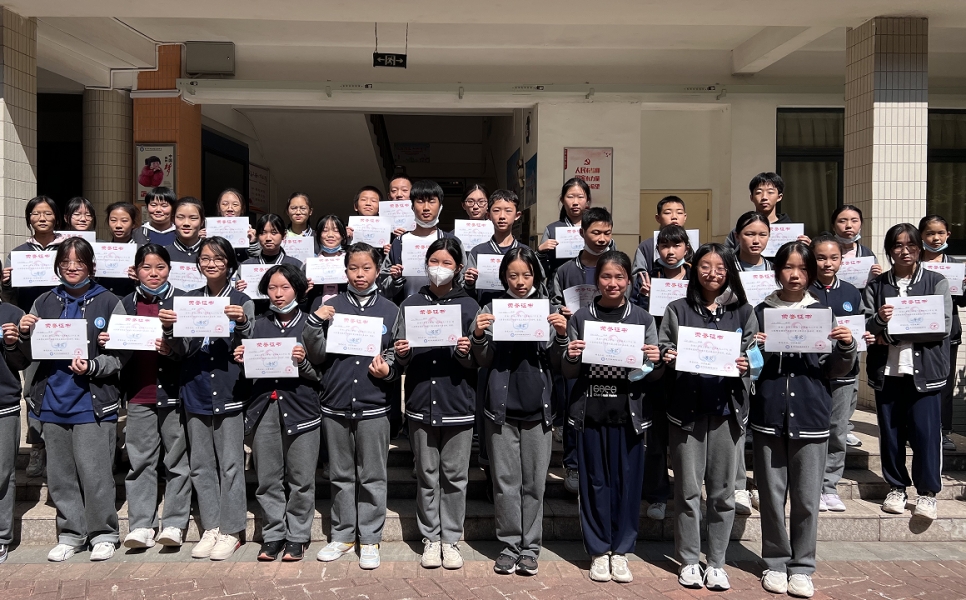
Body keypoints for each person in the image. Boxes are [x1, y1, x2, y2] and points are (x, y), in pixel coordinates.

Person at [753, 241, 856, 598]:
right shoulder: (760, 312)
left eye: (802, 268)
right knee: (771, 496)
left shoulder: (823, 313)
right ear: (777, 271)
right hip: (769, 415)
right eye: (787, 267)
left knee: (807, 498)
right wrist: (755, 349)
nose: (795, 275)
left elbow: (835, 370)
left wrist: (846, 346)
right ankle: (775, 562)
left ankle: (802, 567)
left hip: (811, 416)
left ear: (811, 273)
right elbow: (747, 367)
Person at [15, 237, 125, 562]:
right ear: (57, 266)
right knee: (60, 476)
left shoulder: (109, 301)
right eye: (65, 262)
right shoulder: (44, 301)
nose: (72, 267)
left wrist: (94, 365)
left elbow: (121, 355)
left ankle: (104, 533)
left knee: (96, 474)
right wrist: (24, 333)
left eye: (79, 262)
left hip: (92, 402)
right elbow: (28, 354)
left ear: (91, 266)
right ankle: (71, 534)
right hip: (52, 400)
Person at [659, 243, 756, 591]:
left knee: (722, 494)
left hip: (727, 412)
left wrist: (748, 365)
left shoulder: (743, 311)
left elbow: (756, 356)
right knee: (687, 491)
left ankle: (716, 562)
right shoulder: (677, 308)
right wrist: (668, 355)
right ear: (694, 268)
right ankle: (688, 560)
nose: (712, 273)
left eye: (720, 267)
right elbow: (664, 344)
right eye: (705, 266)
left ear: (729, 271)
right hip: (686, 412)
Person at [562, 250, 662, 584]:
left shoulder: (642, 318)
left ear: (629, 281)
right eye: (606, 276)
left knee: (627, 484)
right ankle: (598, 550)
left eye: (620, 277)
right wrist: (571, 355)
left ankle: (621, 551)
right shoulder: (581, 318)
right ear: (596, 280)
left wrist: (654, 361)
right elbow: (568, 371)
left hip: (629, 414)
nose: (613, 283)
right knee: (594, 483)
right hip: (590, 412)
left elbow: (652, 374)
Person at [471, 246, 566, 576]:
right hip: (501, 410)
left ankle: (531, 548)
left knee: (534, 483)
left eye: (526, 275)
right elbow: (483, 360)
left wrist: (562, 336)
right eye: (513, 275)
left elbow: (558, 363)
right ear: (504, 277)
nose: (520, 281)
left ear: (536, 275)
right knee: (505, 482)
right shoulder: (491, 308)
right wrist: (479, 335)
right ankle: (510, 545)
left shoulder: (548, 310)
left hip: (538, 410)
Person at [306, 243, 400, 570]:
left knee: (372, 475)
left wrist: (389, 369)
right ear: (344, 270)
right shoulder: (329, 306)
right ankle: (343, 535)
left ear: (378, 270)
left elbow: (396, 352)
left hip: (374, 404)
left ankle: (370, 537)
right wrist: (315, 322)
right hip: (335, 403)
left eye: (366, 268)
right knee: (340, 474)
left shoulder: (390, 309)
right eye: (353, 268)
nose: (360, 275)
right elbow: (316, 354)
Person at [163, 236, 254, 561]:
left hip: (229, 390)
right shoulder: (188, 300)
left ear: (229, 263)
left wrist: (242, 324)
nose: (211, 263)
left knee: (231, 464)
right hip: (195, 388)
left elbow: (250, 345)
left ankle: (232, 530)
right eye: (205, 258)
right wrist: (170, 331)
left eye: (218, 258)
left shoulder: (242, 301)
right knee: (201, 465)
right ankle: (212, 527)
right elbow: (182, 350)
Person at [392, 238, 479, 570]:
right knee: (427, 475)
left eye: (446, 263)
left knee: (454, 476)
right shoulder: (411, 304)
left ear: (458, 268)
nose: (439, 268)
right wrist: (402, 354)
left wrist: (466, 352)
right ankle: (431, 537)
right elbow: (400, 356)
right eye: (434, 261)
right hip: (420, 402)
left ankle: (451, 538)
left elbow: (480, 360)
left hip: (457, 402)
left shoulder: (469, 306)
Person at [865, 223, 952, 521]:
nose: (905, 251)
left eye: (911, 245)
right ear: (889, 250)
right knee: (891, 434)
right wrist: (879, 319)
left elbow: (942, 326)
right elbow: (865, 326)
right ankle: (896, 487)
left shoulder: (936, 281)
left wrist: (890, 334)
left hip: (926, 371)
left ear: (920, 247)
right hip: (887, 371)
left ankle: (927, 493)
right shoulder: (877, 286)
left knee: (926, 434)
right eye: (898, 245)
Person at [105, 244, 190, 550]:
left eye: (160, 267)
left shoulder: (183, 301)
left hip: (174, 393)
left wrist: (173, 347)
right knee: (140, 461)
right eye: (146, 267)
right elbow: (116, 351)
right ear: (136, 270)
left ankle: (175, 523)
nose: (153, 274)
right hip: (139, 393)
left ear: (169, 269)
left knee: (177, 462)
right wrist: (108, 340)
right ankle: (141, 524)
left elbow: (192, 346)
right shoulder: (125, 303)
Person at [236, 264, 320, 562]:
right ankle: (273, 535)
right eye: (272, 288)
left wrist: (304, 363)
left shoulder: (310, 325)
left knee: (301, 479)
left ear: (298, 289)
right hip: (263, 409)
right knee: (268, 478)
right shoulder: (257, 325)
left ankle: (297, 536)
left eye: (285, 287)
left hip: (301, 408)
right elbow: (246, 371)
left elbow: (322, 374)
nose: (278, 294)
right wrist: (241, 358)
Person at [549, 206, 616, 495]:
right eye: (595, 232)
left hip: (610, 347)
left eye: (607, 233)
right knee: (573, 405)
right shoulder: (565, 270)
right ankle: (573, 464)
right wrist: (560, 312)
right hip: (576, 347)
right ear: (582, 232)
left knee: (607, 406)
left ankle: (602, 465)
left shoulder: (617, 265)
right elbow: (552, 302)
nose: (601, 238)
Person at [3, 196, 65, 479]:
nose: (42, 218)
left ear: (56, 217)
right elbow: (10, 300)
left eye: (47, 213)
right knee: (32, 390)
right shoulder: (18, 254)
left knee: (63, 383)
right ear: (28, 218)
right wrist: (6, 285)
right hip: (31, 331)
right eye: (36, 214)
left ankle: (60, 448)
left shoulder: (67, 249)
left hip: (65, 329)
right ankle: (37, 446)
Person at [810, 235, 871, 513]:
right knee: (812, 431)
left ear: (841, 260)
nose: (827, 263)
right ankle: (810, 485)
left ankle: (829, 486)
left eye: (833, 258)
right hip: (812, 373)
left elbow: (861, 326)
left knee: (837, 431)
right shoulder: (803, 290)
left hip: (844, 373)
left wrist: (865, 335)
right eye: (821, 257)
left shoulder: (851, 292)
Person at [638, 225, 693, 523]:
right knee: (657, 435)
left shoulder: (696, 279)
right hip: (656, 367)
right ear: (657, 249)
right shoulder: (649, 279)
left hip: (689, 366)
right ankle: (657, 494)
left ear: (686, 248)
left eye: (676, 245)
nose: (670, 252)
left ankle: (688, 493)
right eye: (664, 246)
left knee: (688, 438)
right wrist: (644, 297)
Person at [919, 215, 966, 452]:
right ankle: (915, 429)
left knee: (945, 383)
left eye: (940, 233)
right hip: (917, 329)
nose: (935, 238)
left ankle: (942, 431)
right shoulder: (914, 262)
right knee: (917, 381)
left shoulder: (955, 265)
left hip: (948, 333)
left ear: (948, 235)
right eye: (929, 233)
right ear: (921, 236)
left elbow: (962, 302)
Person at [379, 180, 457, 303]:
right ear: (412, 206)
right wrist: (395, 279)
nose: (426, 208)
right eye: (420, 201)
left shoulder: (451, 241)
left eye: (431, 201)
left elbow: (461, 280)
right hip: (407, 307)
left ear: (440, 206)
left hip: (443, 308)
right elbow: (383, 287)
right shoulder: (399, 242)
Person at [464, 189, 529, 307]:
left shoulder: (526, 252)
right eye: (496, 211)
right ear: (488, 215)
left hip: (517, 311)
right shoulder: (478, 252)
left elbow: (537, 288)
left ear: (517, 215)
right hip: (486, 312)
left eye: (508, 211)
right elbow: (468, 296)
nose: (502, 216)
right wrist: (469, 283)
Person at [538, 179, 613, 280]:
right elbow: (540, 272)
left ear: (587, 200)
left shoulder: (600, 228)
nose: (575, 202)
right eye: (570, 197)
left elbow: (614, 263)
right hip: (561, 284)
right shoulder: (552, 230)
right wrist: (540, 252)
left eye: (580, 197)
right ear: (562, 200)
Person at [0, 293, 28, 564]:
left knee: (2, 472)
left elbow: (23, 362)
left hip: (3, 404)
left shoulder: (13, 313)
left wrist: (12, 345)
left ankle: (1, 536)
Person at [235, 214, 303, 315]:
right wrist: (239, 291)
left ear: (284, 235)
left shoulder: (296, 265)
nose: (268, 238)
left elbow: (302, 301)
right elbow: (240, 302)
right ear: (257, 235)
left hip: (288, 318)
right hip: (256, 318)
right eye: (263, 233)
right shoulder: (246, 266)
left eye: (274, 233)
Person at [725, 173, 809, 250]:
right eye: (758, 192)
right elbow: (727, 257)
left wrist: (810, 249)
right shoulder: (741, 230)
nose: (764, 197)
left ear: (779, 197)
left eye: (770, 192)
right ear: (751, 197)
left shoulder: (794, 232)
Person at [632, 195, 688, 302]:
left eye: (679, 212)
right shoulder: (646, 246)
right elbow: (638, 278)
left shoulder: (698, 247)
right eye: (668, 213)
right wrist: (644, 295)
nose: (674, 217)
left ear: (687, 249)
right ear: (658, 218)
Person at [99, 202, 140, 299]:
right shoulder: (100, 250)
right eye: (113, 220)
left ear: (133, 223)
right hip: (105, 300)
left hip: (129, 301)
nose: (118, 225)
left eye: (124, 221)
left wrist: (140, 278)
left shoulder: (141, 251)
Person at [213, 188, 259, 262]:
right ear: (218, 207)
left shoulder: (249, 232)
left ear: (242, 209)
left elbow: (257, 260)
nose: (230, 209)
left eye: (235, 205)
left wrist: (253, 243)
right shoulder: (210, 230)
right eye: (225, 204)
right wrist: (200, 241)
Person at [165, 197, 205, 265]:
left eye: (193, 218)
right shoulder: (164, 253)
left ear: (202, 221)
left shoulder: (212, 253)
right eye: (180, 217)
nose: (186, 223)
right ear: (173, 220)